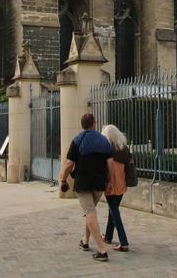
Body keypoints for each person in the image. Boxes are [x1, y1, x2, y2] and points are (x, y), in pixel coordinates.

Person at [58, 112, 112, 263]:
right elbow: (109, 164)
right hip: (100, 184)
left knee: (89, 213)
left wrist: (63, 179)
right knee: (90, 213)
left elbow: (69, 164)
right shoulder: (104, 141)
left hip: (83, 184)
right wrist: (110, 181)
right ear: (94, 123)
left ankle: (102, 250)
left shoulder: (78, 140)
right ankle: (85, 241)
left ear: (83, 124)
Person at [101, 124, 133, 252]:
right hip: (122, 185)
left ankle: (124, 242)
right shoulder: (124, 149)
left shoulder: (108, 151)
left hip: (111, 185)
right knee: (113, 210)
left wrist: (107, 183)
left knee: (114, 212)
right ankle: (108, 237)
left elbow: (108, 171)